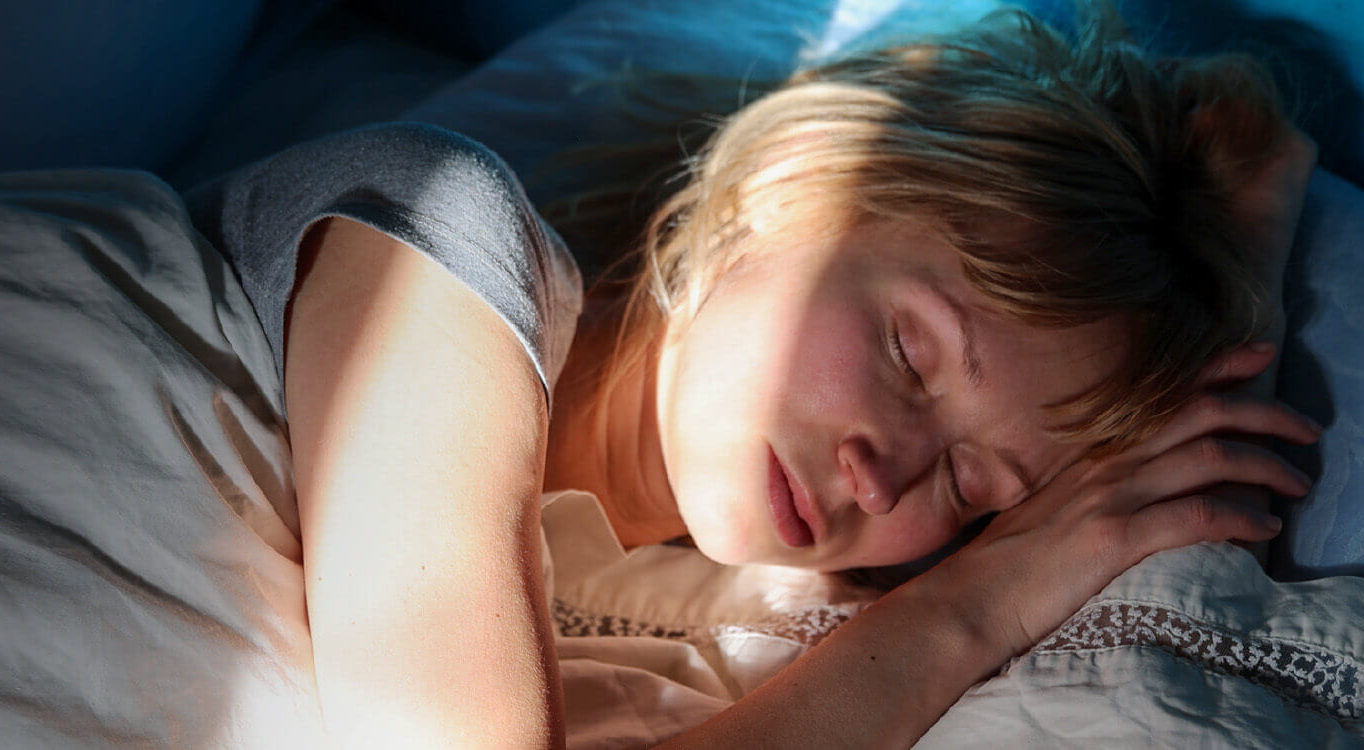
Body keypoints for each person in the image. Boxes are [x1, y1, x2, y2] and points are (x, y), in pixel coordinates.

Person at [279, 3, 1319, 748]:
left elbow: (1157, 528)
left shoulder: (722, 618)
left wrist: (1244, 290)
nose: (881, 479)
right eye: (910, 354)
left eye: (971, 488)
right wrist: (977, 602)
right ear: (793, 182)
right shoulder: (435, 251)